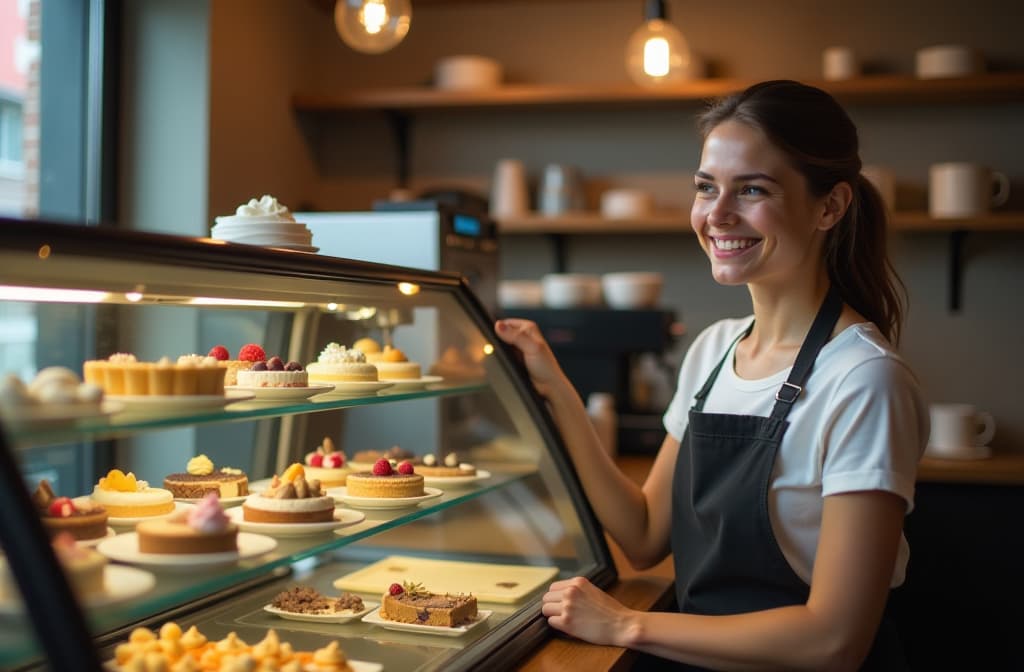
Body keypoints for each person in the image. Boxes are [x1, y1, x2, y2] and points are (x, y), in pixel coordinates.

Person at [494, 80, 928, 671]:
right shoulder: (714, 350)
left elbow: (835, 640)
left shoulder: (863, 379)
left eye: (752, 189)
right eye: (706, 187)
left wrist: (626, 623)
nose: (717, 215)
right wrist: (556, 389)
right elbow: (645, 535)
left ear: (831, 206)